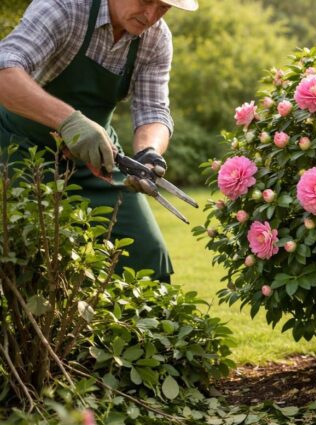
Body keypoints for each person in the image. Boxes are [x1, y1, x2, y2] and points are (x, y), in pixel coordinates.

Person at [0, 0, 198, 282]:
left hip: (97, 161)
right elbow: (4, 72)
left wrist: (149, 153)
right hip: (19, 149)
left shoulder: (156, 39)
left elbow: (153, 110)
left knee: (146, 255)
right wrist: (70, 122)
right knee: (27, 259)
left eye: (163, 8)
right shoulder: (64, 8)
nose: (151, 15)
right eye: (145, 0)